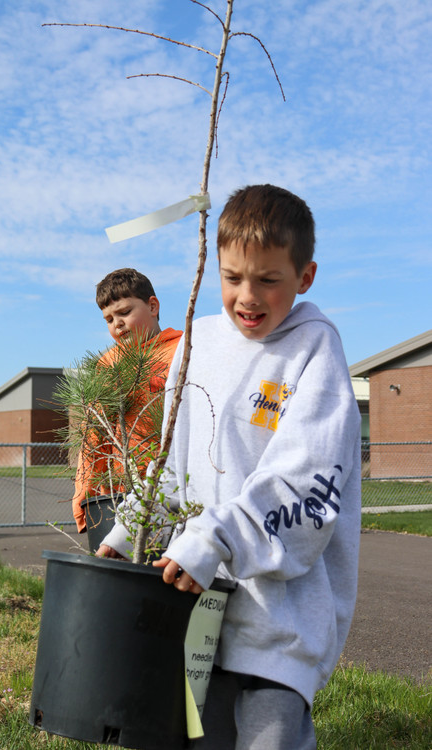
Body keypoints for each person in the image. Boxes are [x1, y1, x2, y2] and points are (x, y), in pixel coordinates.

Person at [100, 185, 361, 749]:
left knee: (270, 737)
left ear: (305, 276)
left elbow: (305, 485)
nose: (248, 296)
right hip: (199, 604)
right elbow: (174, 462)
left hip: (281, 617)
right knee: (201, 734)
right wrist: (130, 527)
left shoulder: (314, 352)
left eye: (269, 280)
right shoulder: (198, 343)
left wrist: (216, 538)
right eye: (232, 277)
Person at [71, 267, 182, 534]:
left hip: (176, 489)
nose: (116, 323)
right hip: (122, 492)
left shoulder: (183, 350)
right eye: (108, 319)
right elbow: (94, 438)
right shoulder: (108, 365)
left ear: (152, 306)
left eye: (124, 312)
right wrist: (83, 500)